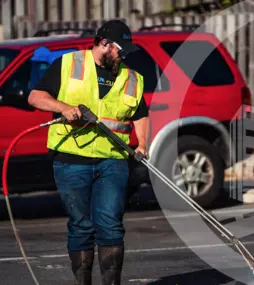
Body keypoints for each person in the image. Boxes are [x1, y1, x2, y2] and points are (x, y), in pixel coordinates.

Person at [28, 20, 149, 285]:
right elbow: (35, 97)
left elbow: (141, 116)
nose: (123, 54)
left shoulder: (131, 77)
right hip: (71, 159)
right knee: (81, 226)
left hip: (113, 159)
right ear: (104, 43)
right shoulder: (68, 64)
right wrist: (62, 107)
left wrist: (142, 145)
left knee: (111, 225)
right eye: (120, 48)